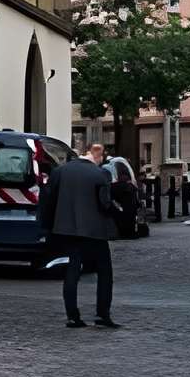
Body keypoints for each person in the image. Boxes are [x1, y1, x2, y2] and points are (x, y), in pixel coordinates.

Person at [44, 137, 124, 328]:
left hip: (68, 230)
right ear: (99, 154)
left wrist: (50, 227)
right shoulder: (100, 174)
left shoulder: (60, 171)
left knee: (72, 271)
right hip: (95, 231)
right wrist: (117, 211)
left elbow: (49, 200)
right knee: (104, 272)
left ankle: (73, 316)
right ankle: (102, 314)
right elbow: (104, 203)